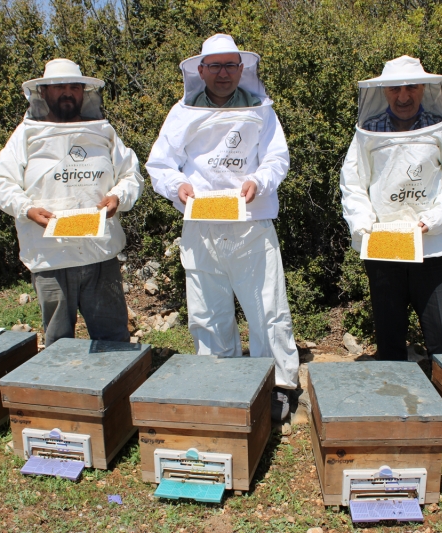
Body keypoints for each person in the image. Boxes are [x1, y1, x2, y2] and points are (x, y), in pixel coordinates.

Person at [146, 34, 299, 420]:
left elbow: (277, 158)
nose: (223, 73)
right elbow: (160, 164)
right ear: (200, 70)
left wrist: (259, 181)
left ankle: (279, 385)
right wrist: (176, 187)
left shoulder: (262, 110)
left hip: (250, 222)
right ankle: (220, 382)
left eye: (231, 65)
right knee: (207, 310)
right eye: (215, 66)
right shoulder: (181, 113)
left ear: (241, 68)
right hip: (201, 224)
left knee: (267, 307)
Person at [0, 59, 143, 346]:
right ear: (44, 92)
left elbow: (131, 175)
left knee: (114, 342)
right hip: (50, 256)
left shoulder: (102, 131)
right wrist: (27, 209)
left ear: (84, 92)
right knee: (59, 342)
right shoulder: (27, 134)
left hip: (100, 254)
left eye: (74, 87)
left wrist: (118, 197)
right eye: (59, 87)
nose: (67, 92)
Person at [340, 55, 442, 360]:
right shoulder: (368, 130)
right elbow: (353, 182)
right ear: (384, 91)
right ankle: (395, 391)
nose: (403, 96)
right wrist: (364, 224)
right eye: (395, 88)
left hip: (432, 248)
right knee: (389, 338)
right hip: (385, 247)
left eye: (411, 87)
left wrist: (433, 220)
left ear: (424, 88)